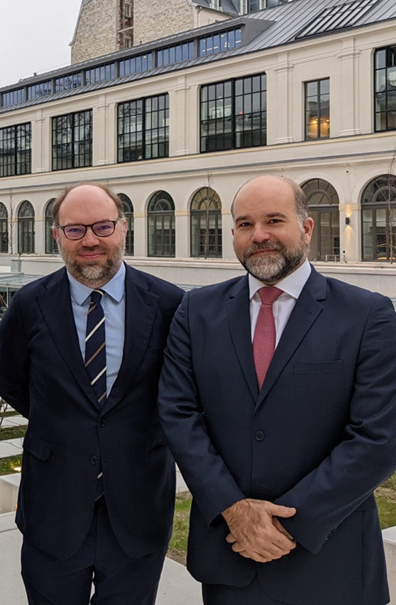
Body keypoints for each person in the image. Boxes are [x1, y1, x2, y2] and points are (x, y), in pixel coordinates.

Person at [158, 175, 396, 605]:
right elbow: (178, 414)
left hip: (330, 563)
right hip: (230, 557)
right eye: (245, 224)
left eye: (273, 220)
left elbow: (378, 438)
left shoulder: (368, 316)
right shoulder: (196, 311)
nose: (259, 235)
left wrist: (286, 524)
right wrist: (234, 510)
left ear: (306, 228)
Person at [0, 183, 183, 604]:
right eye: (75, 229)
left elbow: (179, 394)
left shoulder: (169, 304)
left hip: (138, 511)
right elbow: (12, 383)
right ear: (57, 235)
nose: (90, 240)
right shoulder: (28, 305)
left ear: (124, 228)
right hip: (53, 509)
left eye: (102, 226)